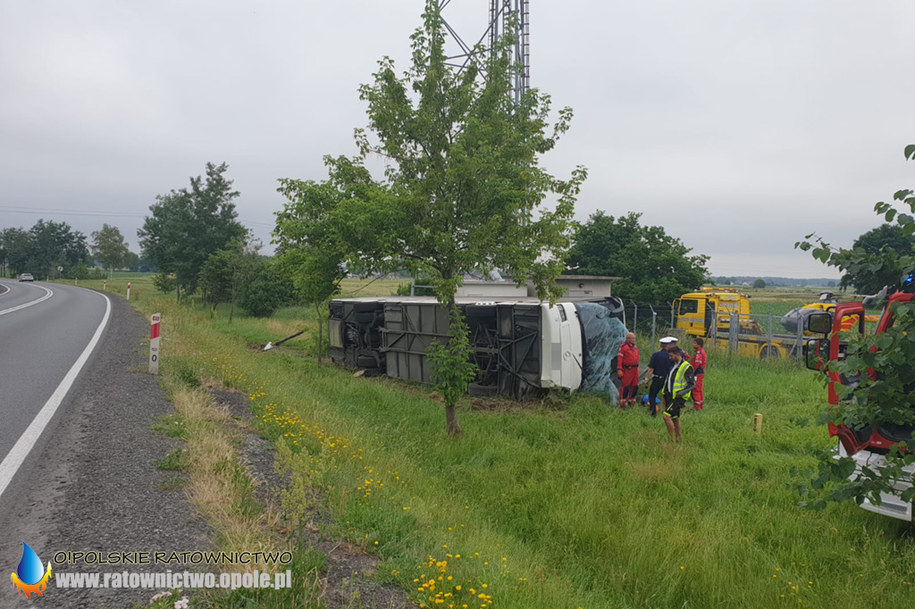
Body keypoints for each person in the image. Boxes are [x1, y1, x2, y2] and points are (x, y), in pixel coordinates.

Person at [663, 348, 696, 442]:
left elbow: (692, 384)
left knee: (666, 416)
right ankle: (679, 438)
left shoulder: (686, 367)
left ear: (677, 354)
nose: (670, 358)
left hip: (678, 397)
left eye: (671, 356)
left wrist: (681, 393)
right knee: (675, 418)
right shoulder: (673, 365)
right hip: (670, 395)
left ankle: (671, 439)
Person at [643, 336, 678, 417]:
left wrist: (647, 379)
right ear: (668, 346)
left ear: (661, 345)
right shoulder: (671, 356)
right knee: (667, 396)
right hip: (667, 379)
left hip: (657, 378)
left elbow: (651, 369)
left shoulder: (656, 355)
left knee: (652, 395)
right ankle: (669, 411)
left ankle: (653, 412)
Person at [616, 332, 640, 407]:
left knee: (635, 385)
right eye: (632, 338)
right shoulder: (623, 347)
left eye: (634, 338)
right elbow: (620, 358)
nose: (634, 340)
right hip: (627, 369)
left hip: (635, 369)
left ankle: (631, 401)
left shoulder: (635, 347)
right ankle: (622, 402)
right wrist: (619, 369)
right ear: (627, 339)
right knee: (625, 386)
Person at [690, 337, 707, 410]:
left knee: (696, 389)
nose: (693, 344)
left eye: (695, 343)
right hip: (700, 373)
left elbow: (697, 364)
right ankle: (701, 404)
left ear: (699, 345)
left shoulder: (698, 353)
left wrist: (691, 371)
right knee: (699, 389)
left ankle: (697, 407)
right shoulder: (701, 351)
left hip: (697, 373)